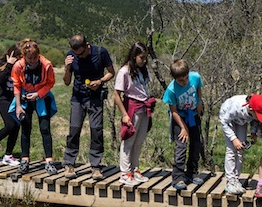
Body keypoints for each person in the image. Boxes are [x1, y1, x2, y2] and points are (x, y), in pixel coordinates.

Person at [62, 34, 115, 180]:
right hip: (78, 97)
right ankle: (69, 164)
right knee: (74, 129)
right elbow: (66, 82)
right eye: (77, 54)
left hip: (95, 97)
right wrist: (67, 67)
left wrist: (100, 81)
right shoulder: (71, 56)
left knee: (96, 131)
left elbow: (111, 73)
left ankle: (96, 166)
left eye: (83, 53)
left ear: (87, 45)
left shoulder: (100, 52)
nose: (81, 56)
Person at [11, 38, 57, 174]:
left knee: (45, 128)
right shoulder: (18, 66)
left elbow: (50, 83)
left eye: (35, 57)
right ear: (24, 56)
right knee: (25, 127)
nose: (32, 61)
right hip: (25, 97)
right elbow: (16, 85)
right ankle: (25, 160)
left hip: (42, 96)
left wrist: (38, 94)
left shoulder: (46, 65)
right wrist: (18, 106)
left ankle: (49, 161)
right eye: (29, 58)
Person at [113, 42, 154, 185]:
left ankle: (135, 169)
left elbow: (144, 88)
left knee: (139, 140)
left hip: (143, 107)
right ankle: (125, 173)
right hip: (132, 107)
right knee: (129, 139)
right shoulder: (124, 71)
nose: (144, 61)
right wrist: (124, 114)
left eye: (145, 58)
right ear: (134, 56)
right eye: (141, 57)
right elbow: (116, 94)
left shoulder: (143, 70)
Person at [219, 94, 262, 198]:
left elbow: (255, 120)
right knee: (232, 149)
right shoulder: (236, 107)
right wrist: (233, 139)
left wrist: (253, 132)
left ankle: (236, 179)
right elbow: (224, 121)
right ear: (250, 109)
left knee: (241, 148)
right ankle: (230, 181)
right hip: (228, 119)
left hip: (241, 121)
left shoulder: (254, 111)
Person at [162, 59, 204, 191]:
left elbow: (198, 89)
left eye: (186, 78)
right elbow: (173, 111)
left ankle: (192, 172)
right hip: (179, 117)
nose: (184, 82)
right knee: (181, 146)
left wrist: (200, 101)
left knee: (196, 143)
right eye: (181, 80)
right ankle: (178, 177)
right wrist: (183, 128)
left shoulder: (195, 77)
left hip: (193, 114)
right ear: (175, 79)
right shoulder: (171, 90)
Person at [0, 44, 22, 167]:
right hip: (3, 99)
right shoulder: (1, 63)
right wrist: (9, 65)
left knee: (17, 126)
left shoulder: (20, 65)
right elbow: (1, 80)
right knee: (10, 124)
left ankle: (8, 155)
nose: (20, 59)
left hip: (15, 98)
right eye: (18, 56)